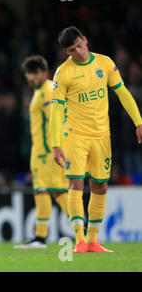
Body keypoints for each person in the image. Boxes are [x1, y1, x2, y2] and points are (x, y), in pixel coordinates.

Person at [50, 26, 142, 253]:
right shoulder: (63, 74)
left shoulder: (105, 63)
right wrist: (56, 144)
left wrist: (139, 122)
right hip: (74, 135)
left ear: (86, 40)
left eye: (80, 46)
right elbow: (55, 112)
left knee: (100, 186)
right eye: (72, 50)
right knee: (76, 183)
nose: (78, 52)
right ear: (66, 52)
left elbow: (122, 93)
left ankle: (92, 241)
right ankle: (79, 239)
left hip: (102, 136)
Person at [14, 55, 69, 249]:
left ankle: (40, 238)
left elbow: (55, 120)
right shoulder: (40, 91)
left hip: (46, 152)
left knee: (43, 190)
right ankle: (83, 229)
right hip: (43, 151)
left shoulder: (46, 91)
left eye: (34, 73)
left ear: (44, 73)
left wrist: (54, 148)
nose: (30, 77)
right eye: (28, 73)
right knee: (59, 192)